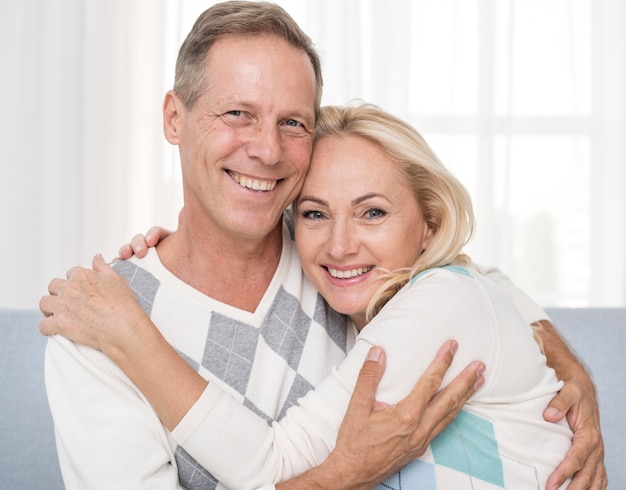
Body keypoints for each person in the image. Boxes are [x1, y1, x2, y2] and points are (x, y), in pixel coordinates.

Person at [39, 2, 605, 489]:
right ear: (173, 118)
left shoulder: (337, 263)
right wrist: (344, 475)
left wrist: (570, 375)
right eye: (238, 113)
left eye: (292, 123)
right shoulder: (95, 330)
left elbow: (477, 287)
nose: (266, 150)